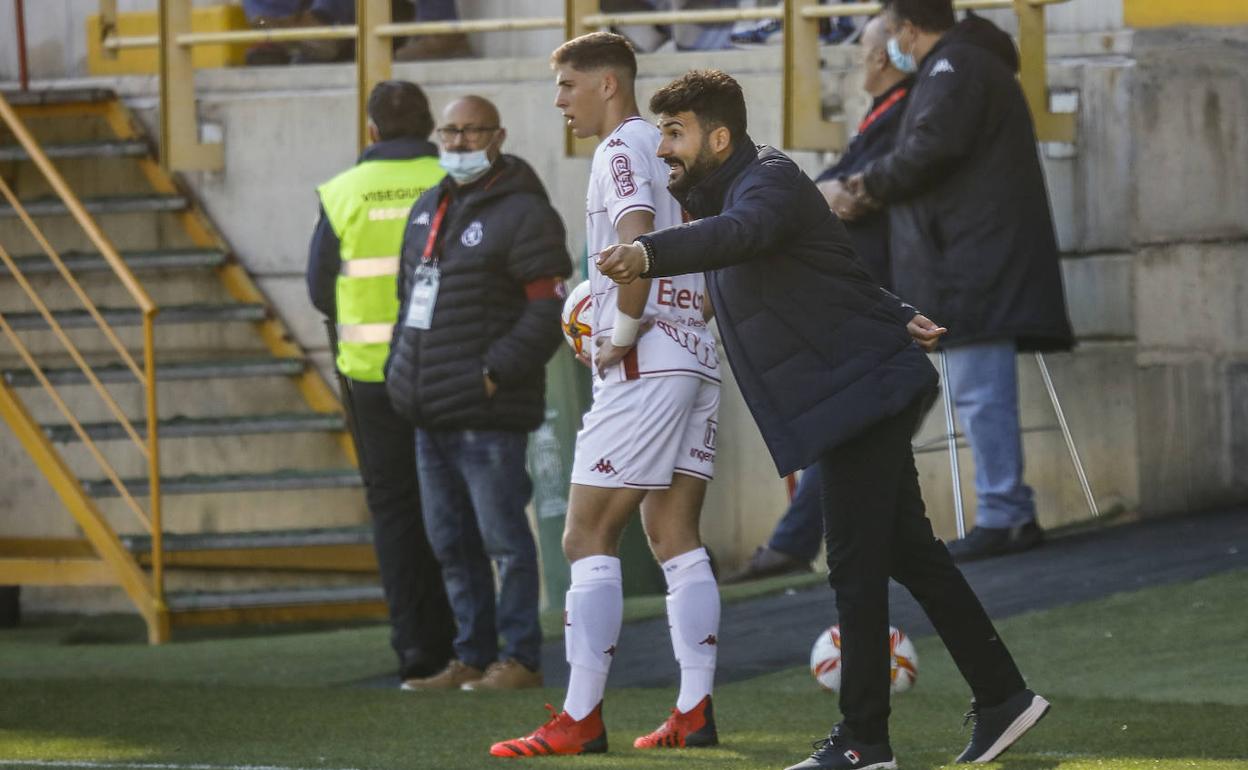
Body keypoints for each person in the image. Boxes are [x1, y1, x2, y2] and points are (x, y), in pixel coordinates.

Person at [596, 68, 1051, 768]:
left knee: (854, 569)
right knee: (909, 555)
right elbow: (826, 269)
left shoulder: (765, 184)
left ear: (719, 136)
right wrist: (899, 314)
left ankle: (865, 742)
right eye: (661, 133)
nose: (664, 149)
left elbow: (743, 235)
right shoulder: (736, 189)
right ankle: (1004, 698)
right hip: (853, 391)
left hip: (857, 397)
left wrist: (646, 254)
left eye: (676, 133)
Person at [488, 32, 723, 758]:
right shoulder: (678, 149)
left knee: (585, 533)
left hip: (645, 358)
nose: (559, 102)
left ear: (608, 86)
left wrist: (619, 334)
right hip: (697, 352)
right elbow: (710, 249)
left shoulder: (622, 149)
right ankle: (694, 709)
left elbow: (635, 242)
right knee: (674, 537)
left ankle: (581, 717)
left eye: (567, 86)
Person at [847, 0, 1074, 563]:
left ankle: (1005, 513)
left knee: (980, 394)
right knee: (979, 394)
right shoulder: (964, 63)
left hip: (976, 263)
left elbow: (930, 149)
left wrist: (864, 185)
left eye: (891, 31)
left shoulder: (957, 66)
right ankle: (1007, 510)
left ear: (907, 29)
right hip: (972, 259)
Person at [386, 95, 571, 691]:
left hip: (487, 411)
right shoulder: (428, 205)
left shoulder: (525, 214)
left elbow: (548, 313)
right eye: (450, 131)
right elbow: (406, 300)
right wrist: (400, 370)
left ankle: (520, 659)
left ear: (499, 136)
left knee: (505, 544)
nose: (459, 142)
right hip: (427, 411)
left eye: (472, 132)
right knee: (451, 544)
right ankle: (470, 656)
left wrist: (490, 375)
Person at [725, 14, 915, 585]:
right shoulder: (884, 114)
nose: (859, 59)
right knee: (858, 423)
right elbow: (832, 186)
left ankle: (796, 543)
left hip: (882, 286)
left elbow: (853, 187)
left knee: (853, 418)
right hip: (869, 286)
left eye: (862, 49)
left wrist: (835, 192)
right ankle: (803, 541)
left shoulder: (904, 108)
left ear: (881, 58)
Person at [307, 80, 454, 687]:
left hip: (369, 376)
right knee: (455, 505)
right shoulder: (450, 181)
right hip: (446, 371)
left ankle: (417, 651)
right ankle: (471, 643)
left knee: (395, 512)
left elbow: (320, 287)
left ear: (371, 132)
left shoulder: (343, 191)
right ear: (427, 127)